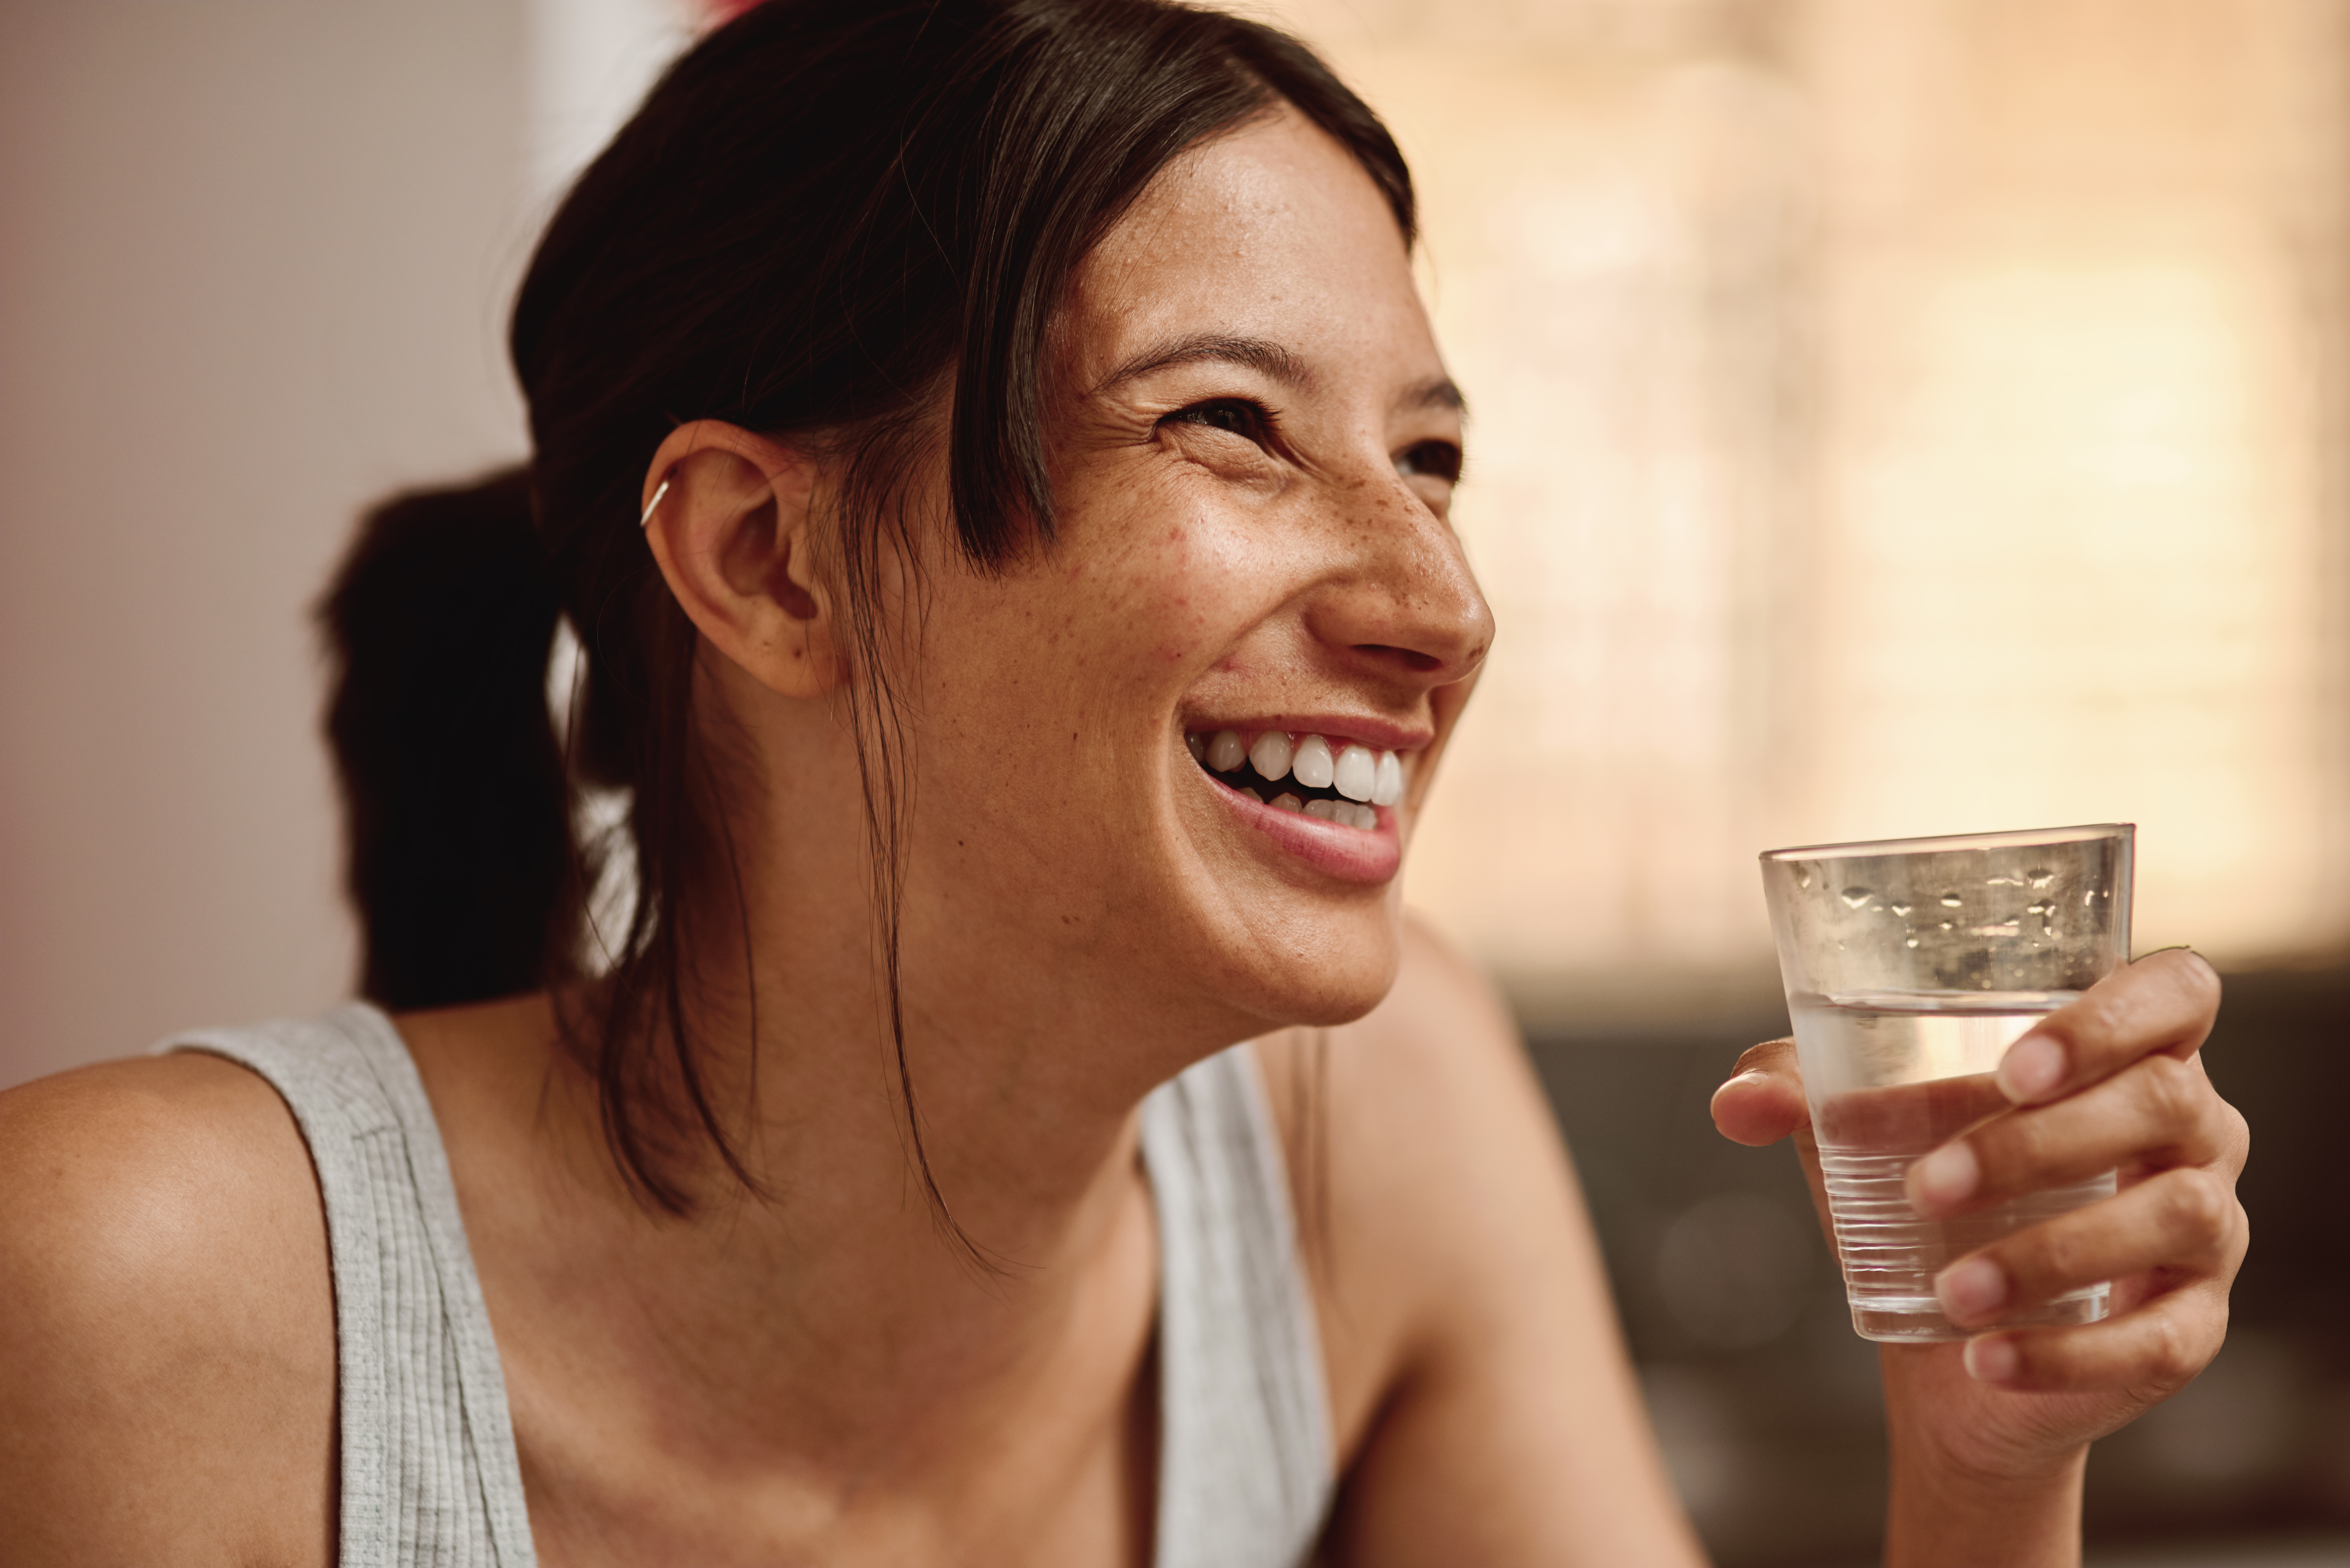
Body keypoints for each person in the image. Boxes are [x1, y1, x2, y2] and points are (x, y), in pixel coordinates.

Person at [0, 2, 2248, 1564]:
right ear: (770, 564)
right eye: (1235, 425)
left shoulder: (1377, 1130)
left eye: (1434, 460)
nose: (1442, 604)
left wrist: (1985, 1463)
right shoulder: (116, 1295)